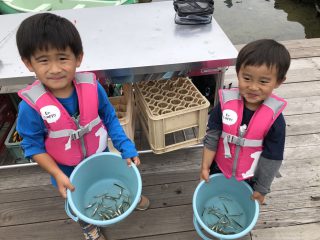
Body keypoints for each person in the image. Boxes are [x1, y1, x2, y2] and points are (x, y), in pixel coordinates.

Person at [15, 13, 149, 240]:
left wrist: (125, 144)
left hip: (101, 154)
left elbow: (108, 116)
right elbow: (32, 146)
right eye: (44, 60)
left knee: (114, 180)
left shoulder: (91, 87)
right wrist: (57, 173)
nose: (55, 68)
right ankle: (88, 227)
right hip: (66, 169)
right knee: (75, 200)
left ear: (78, 58)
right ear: (29, 63)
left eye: (62, 58)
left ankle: (132, 197)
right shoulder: (31, 107)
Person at [200, 39, 291, 204]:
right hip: (219, 166)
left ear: (278, 82)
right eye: (247, 78)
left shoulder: (275, 121)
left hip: (250, 175)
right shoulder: (225, 105)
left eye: (263, 81)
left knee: (243, 201)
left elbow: (272, 157)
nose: (254, 87)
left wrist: (261, 188)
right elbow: (212, 137)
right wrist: (205, 166)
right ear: (238, 73)